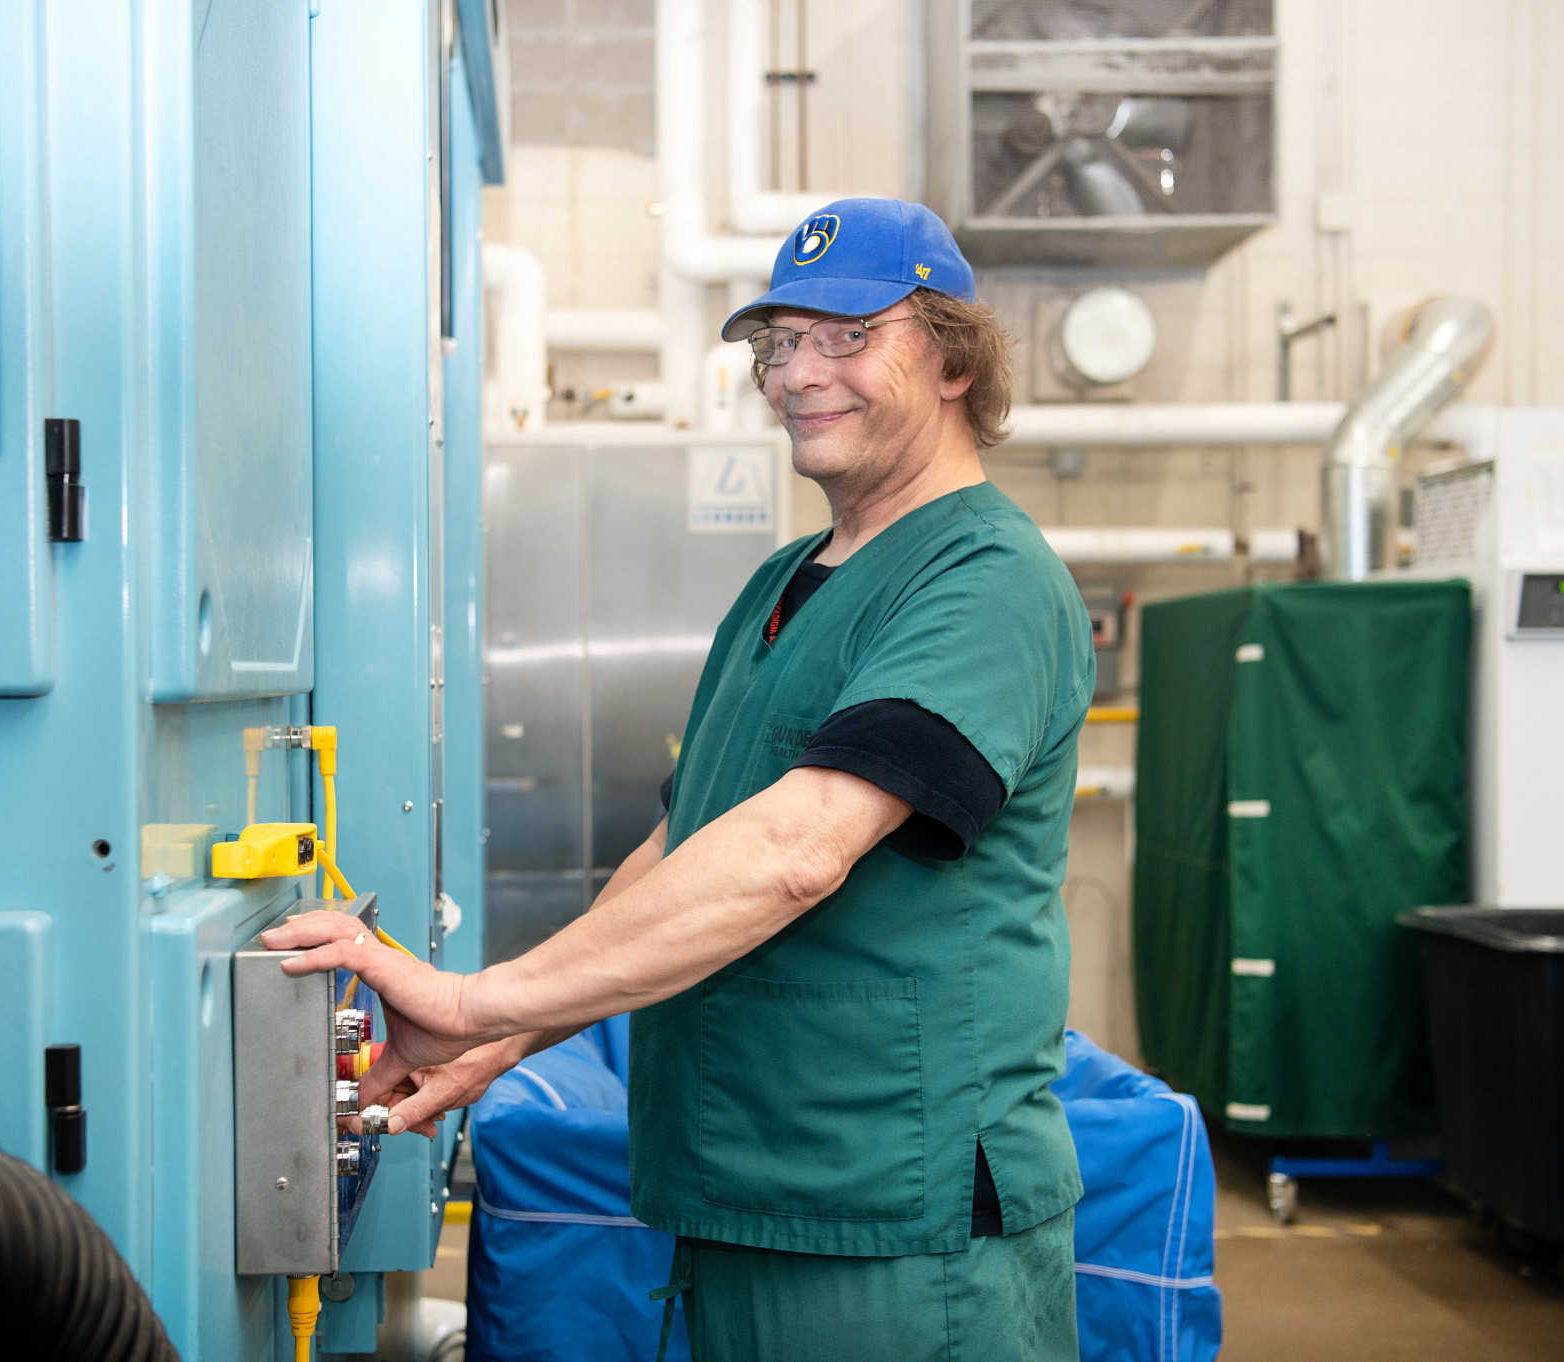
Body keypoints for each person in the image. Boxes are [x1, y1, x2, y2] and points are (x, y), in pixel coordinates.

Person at [263, 197, 1093, 1361]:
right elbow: (679, 850)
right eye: (777, 343)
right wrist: (496, 1041)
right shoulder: (780, 584)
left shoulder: (982, 581)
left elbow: (797, 851)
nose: (798, 373)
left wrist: (469, 1000)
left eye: (844, 337)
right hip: (756, 1188)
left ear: (953, 356)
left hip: (893, 1222)